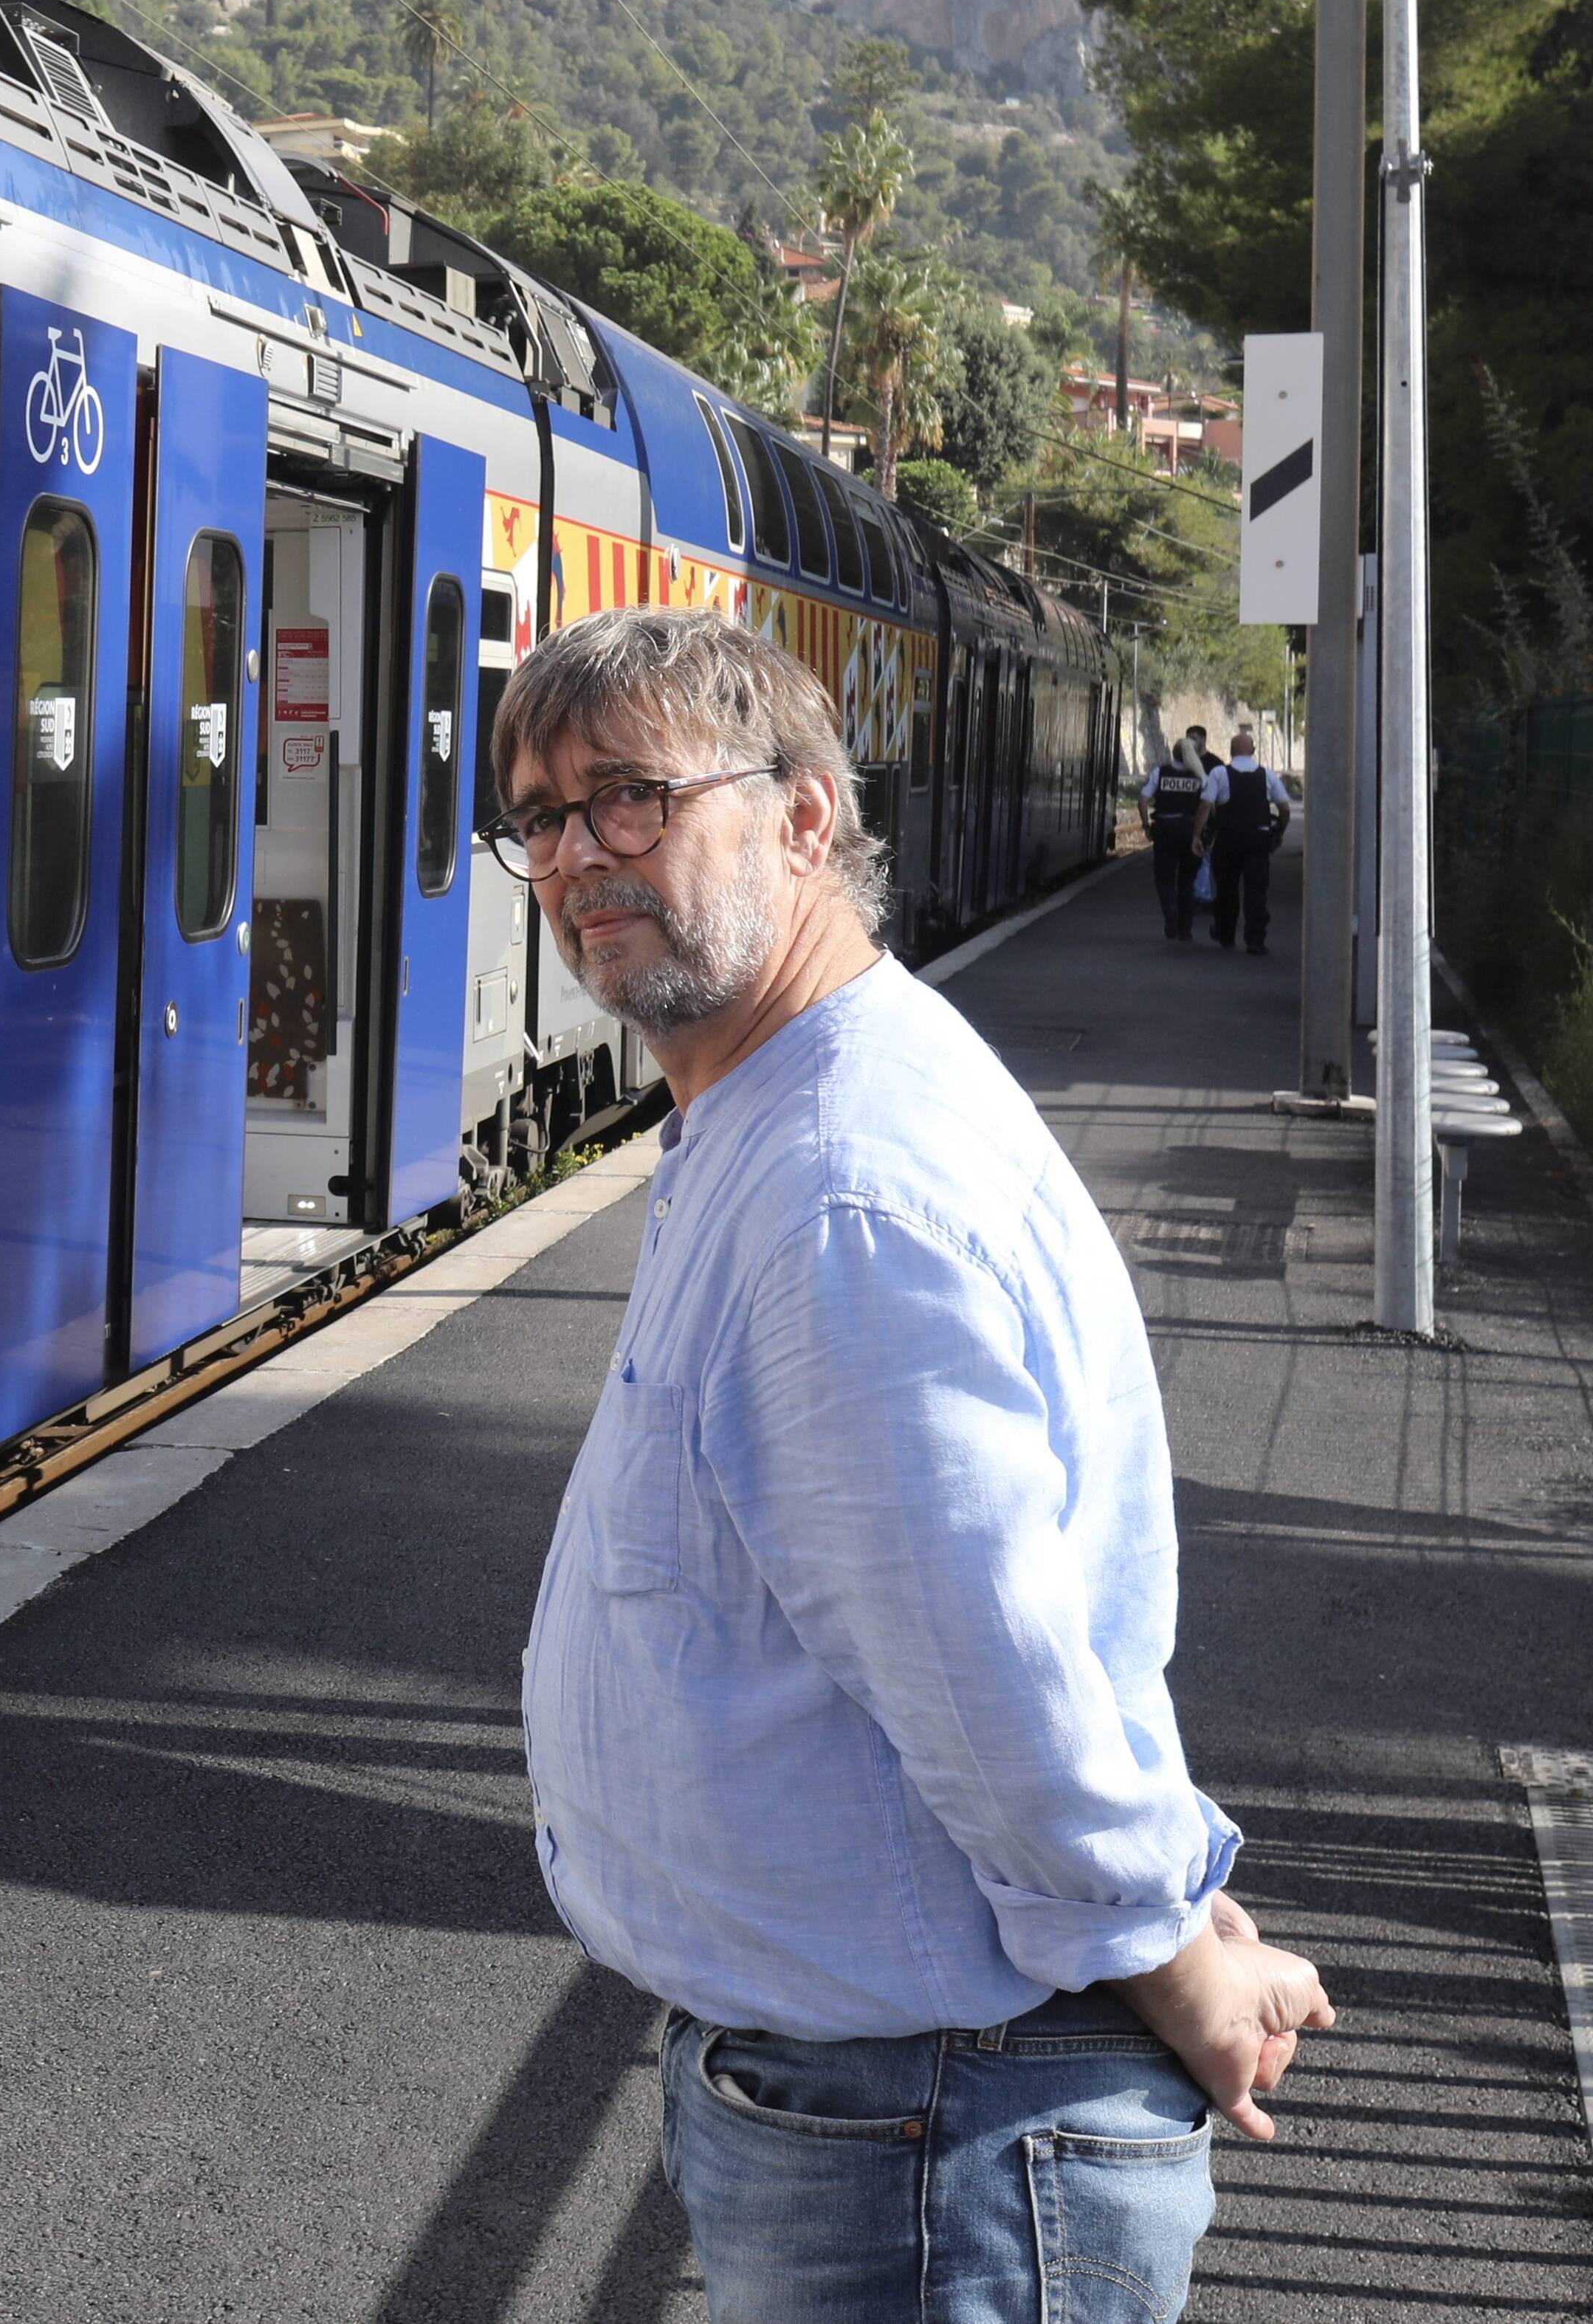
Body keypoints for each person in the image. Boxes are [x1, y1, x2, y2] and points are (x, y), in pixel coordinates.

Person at [479, 610, 1335, 2323]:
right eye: (542, 814)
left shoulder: (836, 1189)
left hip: (937, 2138)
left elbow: (985, 1668)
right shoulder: (777, 1106)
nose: (577, 855)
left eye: (632, 797)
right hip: (900, 2105)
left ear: (804, 817)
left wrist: (1177, 1957)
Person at [1196, 726, 1290, 956]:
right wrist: (1279, 831)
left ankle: (1226, 934)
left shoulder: (1219, 774)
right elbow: (1284, 808)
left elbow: (1206, 805)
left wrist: (1196, 835)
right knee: (1256, 890)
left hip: (1228, 839)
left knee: (1227, 888)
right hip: (1258, 839)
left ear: (1230, 751)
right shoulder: (1268, 775)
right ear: (1254, 751)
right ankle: (1255, 940)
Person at [1138, 738, 1208, 940]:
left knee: (1164, 878)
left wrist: (1146, 825)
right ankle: (1185, 930)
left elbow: (1143, 800)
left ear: (1173, 753)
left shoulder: (1160, 773)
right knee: (1188, 880)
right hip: (1191, 831)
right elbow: (1208, 805)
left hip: (1165, 831)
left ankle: (1171, 912)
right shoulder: (1201, 777)